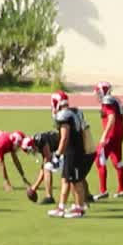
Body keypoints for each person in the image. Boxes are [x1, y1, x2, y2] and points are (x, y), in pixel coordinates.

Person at [49, 91, 93, 219]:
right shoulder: (75, 111)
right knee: (65, 180)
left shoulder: (64, 115)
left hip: (73, 152)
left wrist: (57, 154)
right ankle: (61, 207)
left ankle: (79, 208)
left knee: (76, 181)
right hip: (74, 150)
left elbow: (64, 138)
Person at [92, 81, 123, 200]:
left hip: (111, 135)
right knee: (117, 160)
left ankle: (103, 191)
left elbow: (111, 118)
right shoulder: (115, 100)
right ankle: (121, 190)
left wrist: (104, 135)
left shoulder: (107, 102)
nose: (97, 95)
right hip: (118, 134)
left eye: (98, 92)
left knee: (99, 158)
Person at [25, 129, 61, 206]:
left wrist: (34, 187)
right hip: (63, 148)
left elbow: (47, 161)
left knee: (48, 168)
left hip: (66, 148)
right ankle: (86, 195)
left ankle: (49, 197)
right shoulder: (38, 141)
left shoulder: (41, 141)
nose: (32, 152)